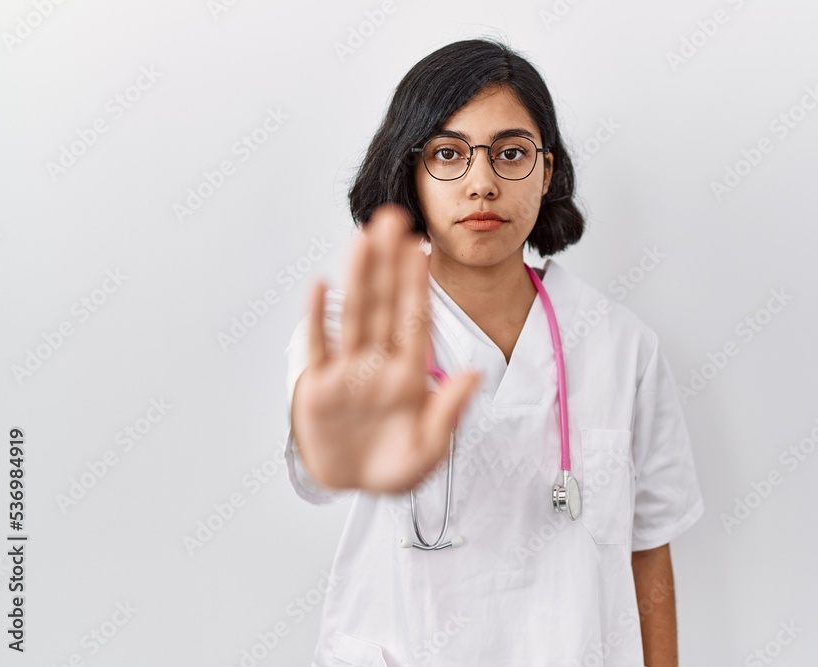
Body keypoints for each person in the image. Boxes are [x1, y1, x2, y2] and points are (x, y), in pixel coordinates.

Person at [284, 38, 704, 667]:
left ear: (546, 170)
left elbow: (650, 546)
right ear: (411, 173)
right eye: (448, 154)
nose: (482, 184)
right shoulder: (357, 327)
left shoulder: (621, 345)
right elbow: (324, 468)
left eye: (510, 153)